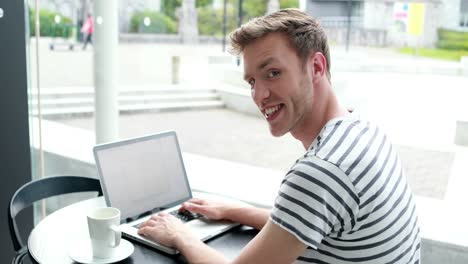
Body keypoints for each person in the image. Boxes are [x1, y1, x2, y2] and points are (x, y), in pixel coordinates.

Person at [138, 9, 421, 263]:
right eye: (252, 81)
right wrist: (236, 210)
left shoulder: (321, 171)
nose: (259, 96)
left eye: (273, 73)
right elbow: (308, 222)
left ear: (316, 68)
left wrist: (180, 235)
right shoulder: (363, 130)